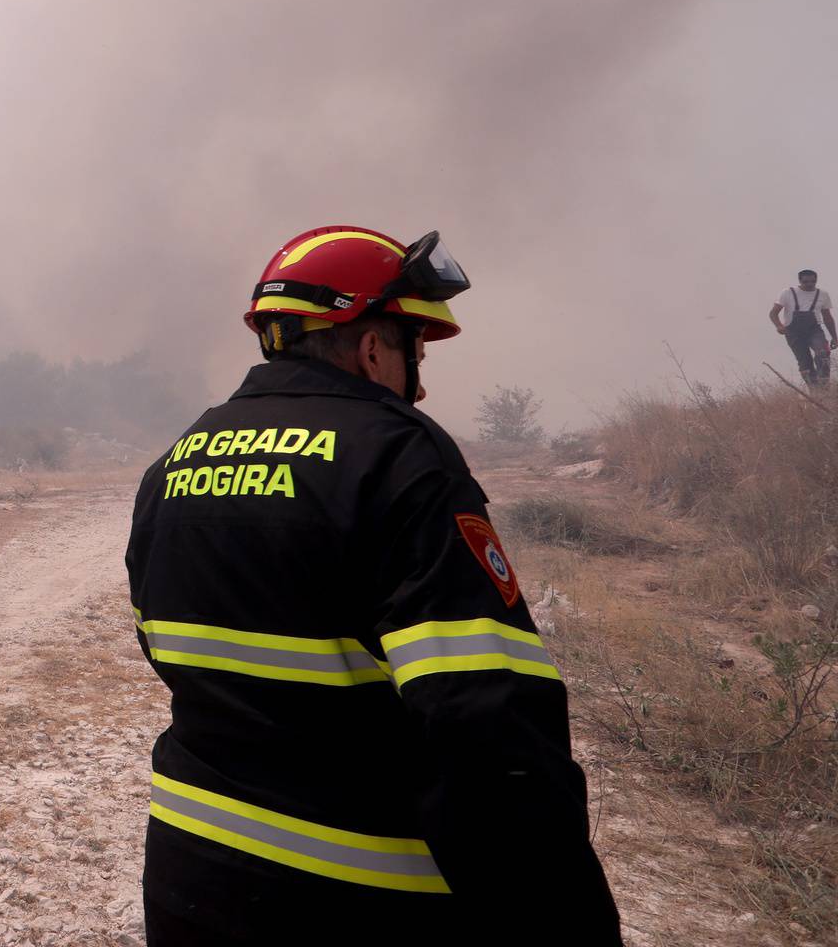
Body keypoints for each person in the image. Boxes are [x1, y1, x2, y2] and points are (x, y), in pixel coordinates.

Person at [126, 226, 620, 945]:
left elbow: (163, 642)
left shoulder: (174, 462)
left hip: (190, 873)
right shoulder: (398, 456)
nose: (418, 385)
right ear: (370, 348)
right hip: (359, 896)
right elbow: (483, 717)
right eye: (413, 351)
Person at [770, 270, 834, 388]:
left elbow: (827, 318)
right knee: (805, 363)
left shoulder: (822, 294)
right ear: (800, 281)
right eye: (806, 282)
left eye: (813, 281)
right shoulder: (788, 293)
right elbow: (773, 313)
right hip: (793, 333)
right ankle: (814, 389)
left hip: (814, 331)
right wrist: (779, 326)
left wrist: (835, 337)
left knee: (823, 353)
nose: (810, 284)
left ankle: (824, 385)